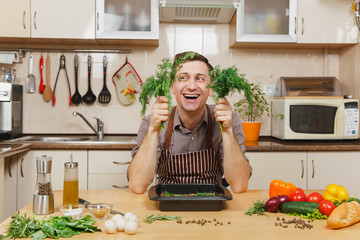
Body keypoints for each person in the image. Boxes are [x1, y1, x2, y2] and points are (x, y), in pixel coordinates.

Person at [128, 52, 251, 194]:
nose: (191, 86)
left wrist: (228, 130)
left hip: (212, 208)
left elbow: (240, 185)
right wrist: (153, 130)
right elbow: (137, 185)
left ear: (211, 88)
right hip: (167, 207)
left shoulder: (228, 120)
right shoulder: (153, 121)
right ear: (172, 87)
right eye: (183, 78)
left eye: (200, 78)